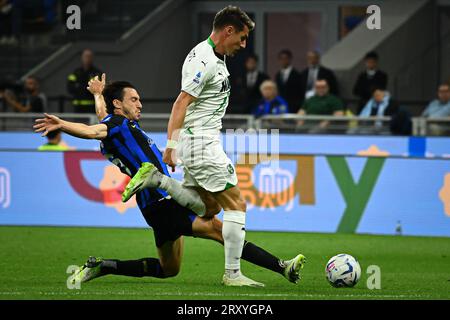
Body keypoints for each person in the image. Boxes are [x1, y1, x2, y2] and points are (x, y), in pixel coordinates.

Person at [34, 76, 306, 287]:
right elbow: (93, 130)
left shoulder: (118, 125)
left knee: (169, 270)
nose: (140, 104)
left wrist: (97, 95)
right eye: (134, 99)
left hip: (155, 206)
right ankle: (282, 266)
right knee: (220, 227)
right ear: (119, 104)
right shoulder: (117, 124)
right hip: (160, 201)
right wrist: (63, 124)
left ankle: (104, 266)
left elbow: (101, 119)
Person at [124, 6, 306, 287]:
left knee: (207, 208)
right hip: (200, 143)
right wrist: (171, 145)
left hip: (201, 142)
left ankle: (158, 180)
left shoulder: (215, 59)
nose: (244, 45)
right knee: (237, 204)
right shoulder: (205, 60)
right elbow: (181, 102)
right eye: (242, 38)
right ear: (228, 31)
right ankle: (233, 274)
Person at [67, 49, 103, 113]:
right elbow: (70, 87)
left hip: (92, 106)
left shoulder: (96, 73)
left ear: (92, 58)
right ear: (82, 58)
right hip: (77, 106)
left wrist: (80, 86)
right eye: (86, 56)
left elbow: (99, 89)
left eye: (89, 56)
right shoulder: (76, 72)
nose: (87, 59)